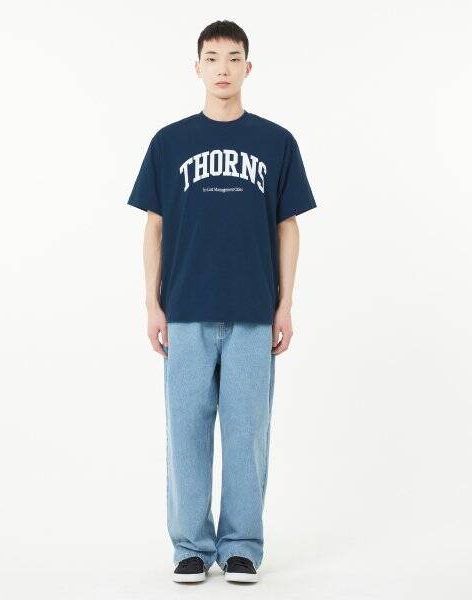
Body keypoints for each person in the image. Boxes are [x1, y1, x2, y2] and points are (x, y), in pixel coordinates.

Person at [127, 20, 317, 584]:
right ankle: (190, 545)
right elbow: (154, 227)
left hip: (254, 311)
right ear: (197, 68)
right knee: (185, 432)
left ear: (248, 67)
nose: (223, 69)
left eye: (233, 58)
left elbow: (288, 226)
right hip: (185, 310)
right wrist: (152, 305)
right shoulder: (169, 142)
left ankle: (241, 547)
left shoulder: (276, 142)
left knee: (246, 435)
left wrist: (285, 304)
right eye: (212, 58)